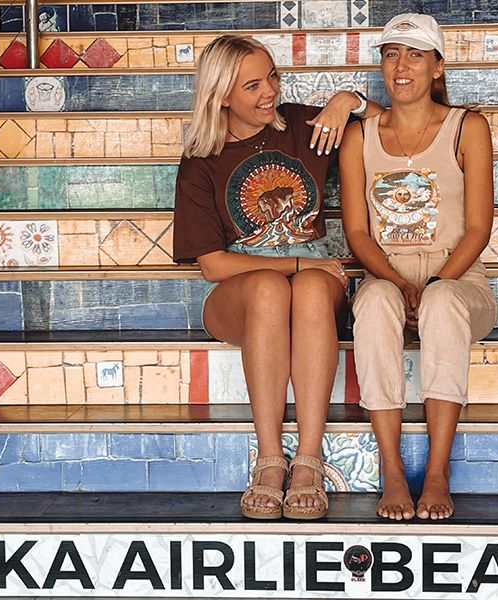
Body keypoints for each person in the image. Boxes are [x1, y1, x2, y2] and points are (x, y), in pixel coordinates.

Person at [173, 34, 382, 519]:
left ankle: (307, 459)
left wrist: (346, 101)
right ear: (221, 94)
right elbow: (213, 265)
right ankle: (270, 460)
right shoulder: (200, 162)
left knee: (308, 289)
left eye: (273, 76)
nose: (269, 91)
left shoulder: (300, 125)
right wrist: (296, 262)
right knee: (273, 288)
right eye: (252, 85)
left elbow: (390, 123)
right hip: (242, 293)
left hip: (313, 283)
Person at [339, 14, 498, 521]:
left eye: (414, 54)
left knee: (445, 301)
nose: (401, 65)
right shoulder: (358, 137)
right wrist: (396, 282)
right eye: (391, 54)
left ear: (437, 67)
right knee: (378, 302)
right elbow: (358, 234)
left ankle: (436, 470)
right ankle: (391, 470)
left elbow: (477, 228)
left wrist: (432, 285)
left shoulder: (466, 127)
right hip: (384, 272)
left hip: (459, 276)